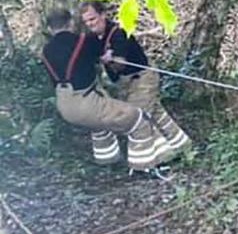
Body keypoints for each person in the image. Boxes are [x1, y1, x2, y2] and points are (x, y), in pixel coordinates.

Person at [40, 9, 165, 171]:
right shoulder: (82, 41)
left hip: (64, 105)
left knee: (98, 125)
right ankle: (145, 167)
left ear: (49, 29)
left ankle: (107, 163)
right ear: (71, 23)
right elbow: (105, 53)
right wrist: (109, 55)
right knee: (138, 118)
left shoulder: (45, 51)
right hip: (86, 102)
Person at [80, 1, 192, 161]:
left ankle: (161, 158)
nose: (90, 24)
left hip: (142, 78)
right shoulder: (93, 38)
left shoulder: (119, 33)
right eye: (86, 22)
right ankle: (183, 147)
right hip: (125, 84)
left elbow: (120, 65)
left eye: (92, 19)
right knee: (155, 113)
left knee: (138, 118)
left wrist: (110, 60)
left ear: (103, 15)